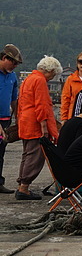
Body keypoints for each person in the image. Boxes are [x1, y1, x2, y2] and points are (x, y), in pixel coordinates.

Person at [16, 55, 62, 200]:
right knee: (35, 156)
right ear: (49, 70)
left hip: (25, 121)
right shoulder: (40, 80)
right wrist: (44, 126)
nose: (52, 77)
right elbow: (41, 105)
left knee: (27, 154)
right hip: (35, 123)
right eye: (53, 74)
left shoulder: (28, 79)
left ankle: (22, 185)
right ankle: (24, 187)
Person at [0, 44, 23, 194]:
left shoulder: (13, 76)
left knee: (1, 151)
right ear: (3, 58)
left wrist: (17, 116)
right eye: (13, 62)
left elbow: (14, 98)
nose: (14, 66)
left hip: (5, 118)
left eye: (17, 64)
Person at [60, 51, 82, 123]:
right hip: (73, 116)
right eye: (80, 61)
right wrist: (64, 118)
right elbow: (65, 99)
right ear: (77, 63)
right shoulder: (70, 79)